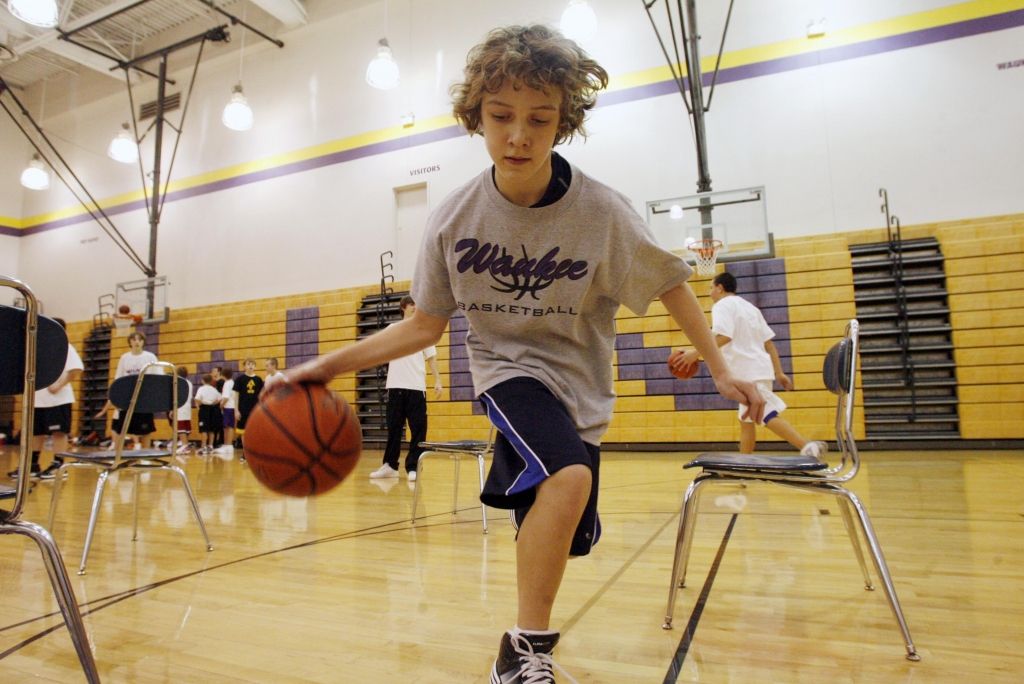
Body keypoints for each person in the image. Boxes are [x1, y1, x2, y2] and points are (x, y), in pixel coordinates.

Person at [279, 25, 763, 683]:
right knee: (567, 477)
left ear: (563, 124)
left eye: (539, 119)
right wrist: (325, 366)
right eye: (501, 116)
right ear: (476, 115)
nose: (518, 135)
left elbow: (671, 283)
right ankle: (523, 651)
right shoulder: (454, 220)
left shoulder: (603, 213)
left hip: (581, 387)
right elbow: (423, 327)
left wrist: (721, 367)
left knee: (562, 520)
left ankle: (527, 628)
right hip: (507, 372)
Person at [672, 271, 827, 458]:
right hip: (761, 369)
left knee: (765, 415)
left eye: (711, 287)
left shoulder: (722, 305)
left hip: (747, 373)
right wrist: (779, 373)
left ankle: (807, 446)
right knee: (746, 421)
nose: (710, 292)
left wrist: (694, 354)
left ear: (720, 288)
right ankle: (742, 467)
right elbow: (769, 344)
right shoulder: (751, 308)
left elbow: (724, 336)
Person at [369, 295, 443, 482]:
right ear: (403, 307)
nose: (415, 307)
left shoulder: (424, 330)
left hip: (416, 388)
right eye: (411, 304)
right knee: (394, 428)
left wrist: (438, 380)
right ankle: (390, 466)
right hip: (395, 386)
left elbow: (431, 358)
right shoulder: (393, 329)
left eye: (417, 304)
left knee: (418, 429)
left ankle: (413, 467)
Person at [6, 317, 83, 481]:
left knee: (59, 432)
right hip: (38, 400)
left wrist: (59, 385)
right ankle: (33, 466)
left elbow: (76, 369)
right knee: (36, 433)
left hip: (58, 399)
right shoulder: (38, 349)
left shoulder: (65, 347)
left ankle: (59, 465)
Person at [96, 331, 159, 449]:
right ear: (130, 342)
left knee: (146, 430)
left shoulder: (150, 357)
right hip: (127, 400)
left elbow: (158, 376)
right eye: (134, 339)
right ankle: (118, 456)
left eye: (139, 339)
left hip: (144, 401)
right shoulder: (124, 358)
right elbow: (118, 378)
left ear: (143, 342)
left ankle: (145, 456)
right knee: (121, 429)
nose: (137, 342)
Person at [232, 358, 264, 454]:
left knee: (255, 431)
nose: (250, 366)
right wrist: (236, 410)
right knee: (243, 432)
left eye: (252, 364)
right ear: (244, 366)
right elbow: (236, 396)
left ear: (255, 366)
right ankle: (246, 453)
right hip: (243, 410)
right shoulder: (240, 379)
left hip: (255, 410)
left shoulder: (258, 380)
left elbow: (261, 395)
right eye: (248, 364)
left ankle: (254, 452)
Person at [195, 373, 223, 454]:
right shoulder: (214, 389)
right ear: (211, 381)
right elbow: (220, 398)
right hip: (213, 409)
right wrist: (214, 403)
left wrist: (199, 405)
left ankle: (203, 446)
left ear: (203, 381)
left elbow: (197, 398)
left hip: (204, 409)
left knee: (204, 429)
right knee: (211, 429)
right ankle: (210, 446)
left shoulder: (201, 389)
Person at [169, 366, 194, 454]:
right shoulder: (189, 382)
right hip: (187, 406)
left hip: (180, 406)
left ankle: (184, 445)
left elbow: (177, 397)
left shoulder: (178, 382)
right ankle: (185, 444)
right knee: (186, 426)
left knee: (180, 427)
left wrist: (172, 409)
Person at [220, 368, 236, 452]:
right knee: (227, 427)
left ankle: (228, 445)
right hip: (231, 407)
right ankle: (227, 445)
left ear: (223, 375)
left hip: (228, 407)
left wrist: (221, 405)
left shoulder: (227, 383)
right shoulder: (232, 382)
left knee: (229, 427)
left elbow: (226, 397)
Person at [211, 366, 225, 448]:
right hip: (214, 405)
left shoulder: (221, 381)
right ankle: (215, 441)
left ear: (219, 372)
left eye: (214, 370)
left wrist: (219, 403)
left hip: (219, 405)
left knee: (220, 424)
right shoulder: (213, 382)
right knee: (215, 423)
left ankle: (221, 441)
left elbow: (221, 395)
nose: (212, 372)